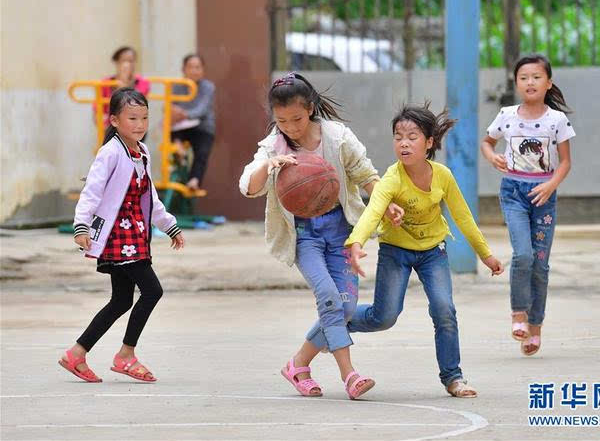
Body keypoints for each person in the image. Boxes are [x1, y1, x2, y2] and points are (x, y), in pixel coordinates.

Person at [238, 72, 402, 400]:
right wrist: (270, 165)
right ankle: (350, 375)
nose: (291, 127)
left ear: (310, 108)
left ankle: (298, 364)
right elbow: (248, 188)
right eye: (282, 120)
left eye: (297, 119)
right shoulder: (273, 145)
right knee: (328, 297)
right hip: (304, 237)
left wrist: (385, 205)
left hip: (341, 232)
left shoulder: (337, 137)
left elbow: (366, 174)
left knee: (345, 306)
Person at [346, 102, 504, 398]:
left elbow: (463, 217)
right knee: (385, 316)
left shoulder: (442, 176)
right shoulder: (391, 178)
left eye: (412, 136)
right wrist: (356, 242)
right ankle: (337, 321)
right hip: (396, 249)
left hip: (433, 250)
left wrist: (485, 254)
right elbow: (373, 211)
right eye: (398, 137)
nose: (403, 143)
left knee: (444, 309)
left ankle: (453, 377)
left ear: (429, 142)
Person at [59, 88, 185, 383]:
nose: (140, 124)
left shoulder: (142, 152)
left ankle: (76, 354)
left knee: (121, 300)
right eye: (132, 118)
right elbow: (92, 192)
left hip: (137, 234)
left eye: (144, 118)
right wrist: (81, 226)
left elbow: (148, 196)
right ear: (114, 120)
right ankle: (125, 356)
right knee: (153, 291)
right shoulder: (110, 152)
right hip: (119, 237)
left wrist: (169, 225)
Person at [481, 53, 574, 357]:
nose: (530, 82)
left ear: (548, 82)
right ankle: (518, 314)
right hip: (514, 193)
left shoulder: (557, 120)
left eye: (536, 77)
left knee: (540, 264)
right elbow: (486, 142)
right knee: (523, 255)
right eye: (523, 77)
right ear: (516, 83)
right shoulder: (507, 114)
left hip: (543, 196)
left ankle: (535, 328)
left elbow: (565, 163)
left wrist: (550, 186)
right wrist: (492, 156)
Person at [171, 54, 216, 190]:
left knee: (202, 152)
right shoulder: (177, 86)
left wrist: (183, 114)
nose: (194, 71)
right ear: (183, 69)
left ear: (203, 70)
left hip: (202, 126)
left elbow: (201, 110)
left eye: (197, 67)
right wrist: (174, 113)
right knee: (172, 131)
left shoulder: (208, 87)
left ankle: (194, 180)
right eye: (190, 67)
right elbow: (171, 106)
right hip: (181, 126)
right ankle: (178, 154)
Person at [96, 46, 151, 128]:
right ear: (117, 63)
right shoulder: (106, 83)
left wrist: (124, 83)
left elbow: (138, 104)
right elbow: (97, 112)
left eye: (132, 61)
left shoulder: (142, 82)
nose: (128, 64)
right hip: (111, 126)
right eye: (124, 60)